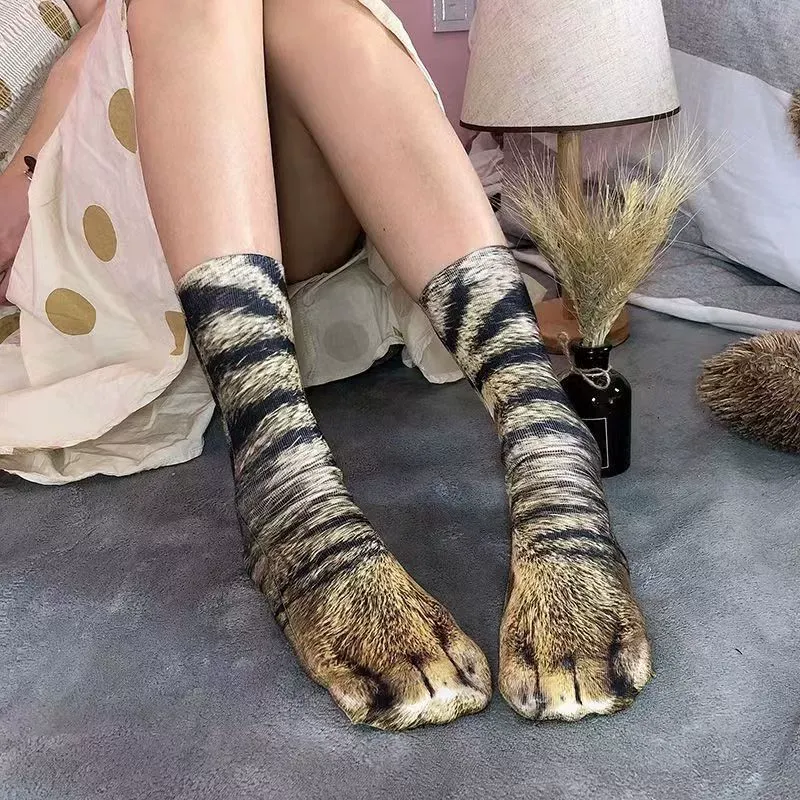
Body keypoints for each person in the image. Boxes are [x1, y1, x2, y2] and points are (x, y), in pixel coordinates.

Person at [0, 0, 651, 731]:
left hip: (253, 188)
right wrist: (34, 158)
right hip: (84, 247)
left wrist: (77, 62)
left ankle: (536, 426)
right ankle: (290, 481)